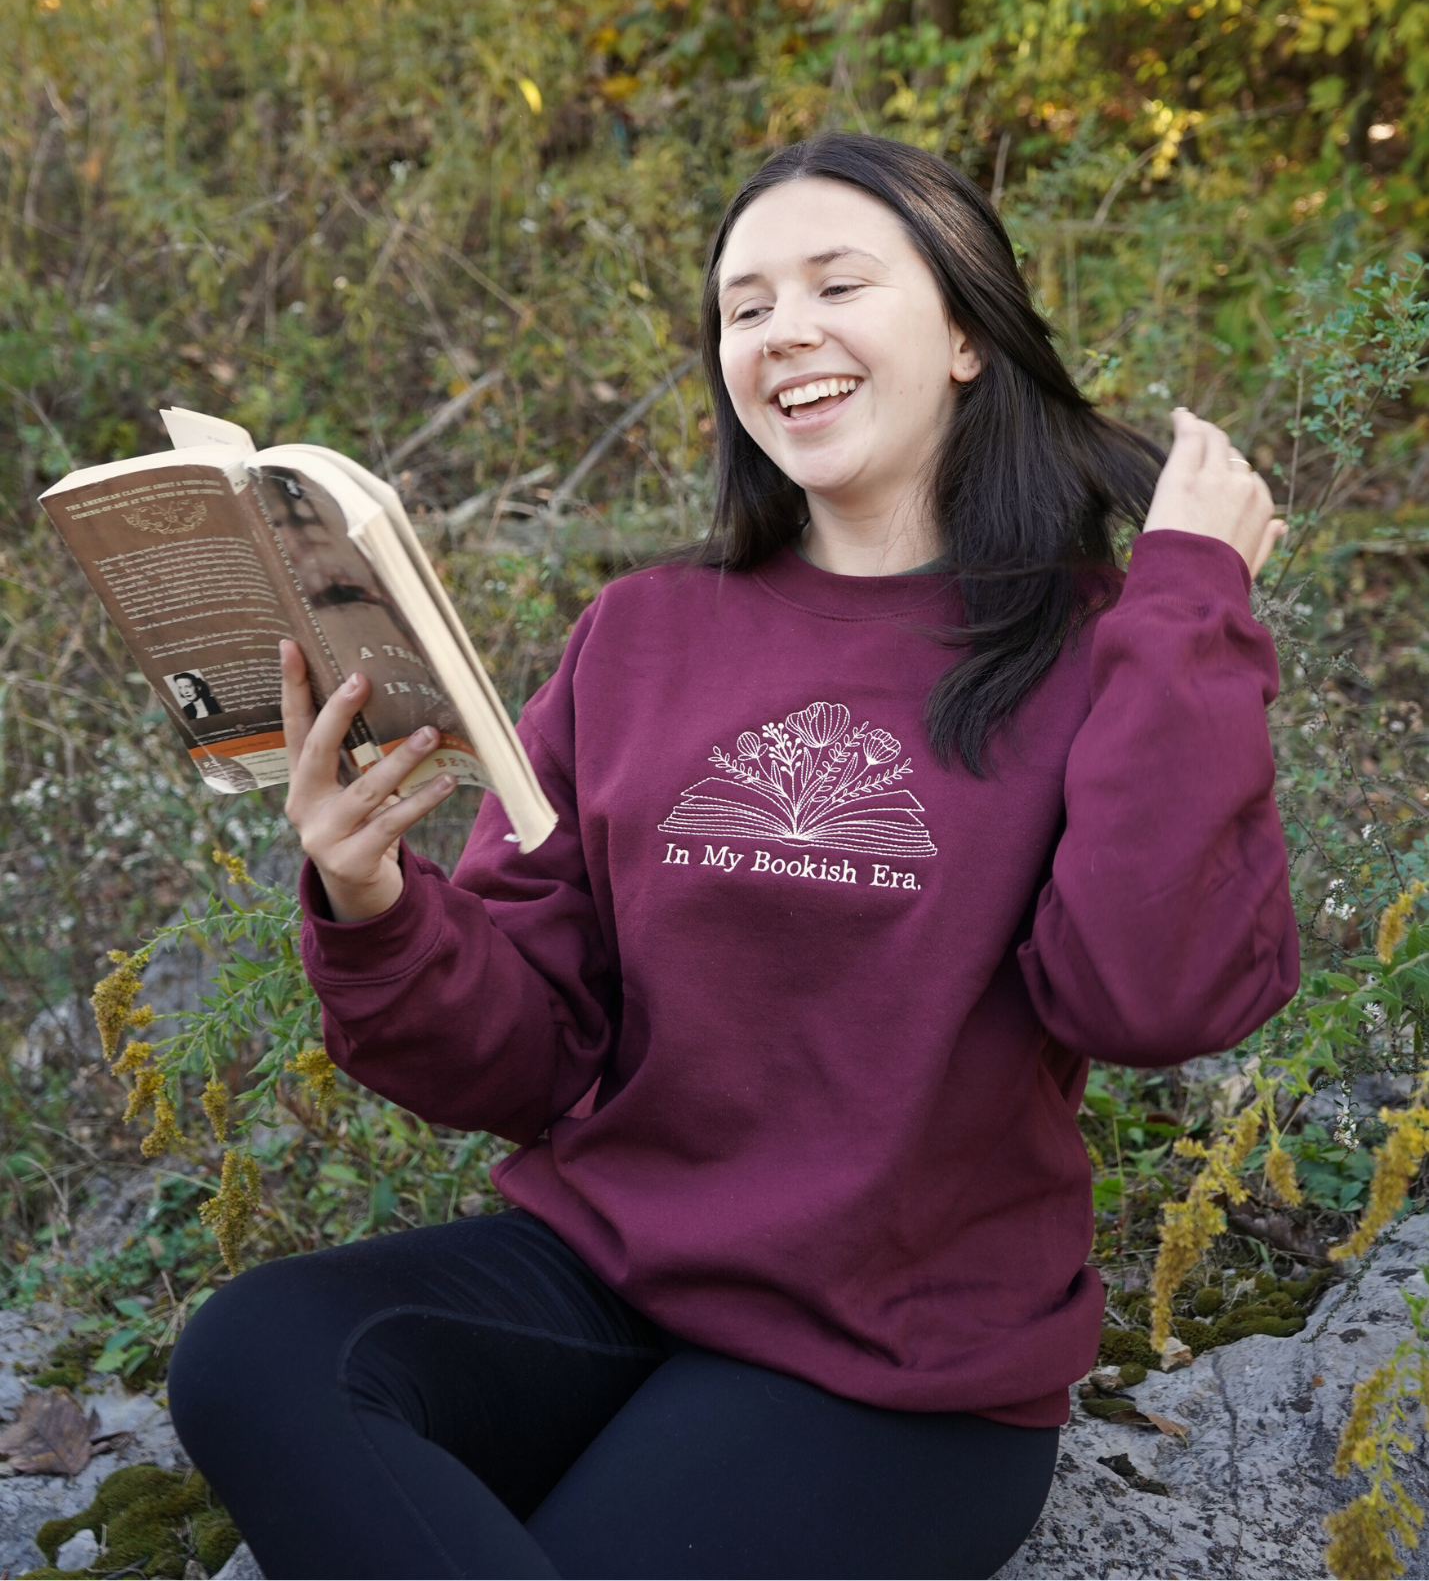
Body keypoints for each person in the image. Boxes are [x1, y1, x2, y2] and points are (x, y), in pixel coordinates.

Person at [168, 133, 1298, 1581]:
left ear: (965, 329)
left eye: (839, 283)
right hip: (609, 1279)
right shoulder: (643, 636)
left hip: (894, 1365)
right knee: (257, 1354)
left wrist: (1193, 606)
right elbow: (527, 1057)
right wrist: (374, 902)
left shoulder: (1097, 644)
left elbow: (1153, 997)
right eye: (746, 305)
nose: (787, 333)